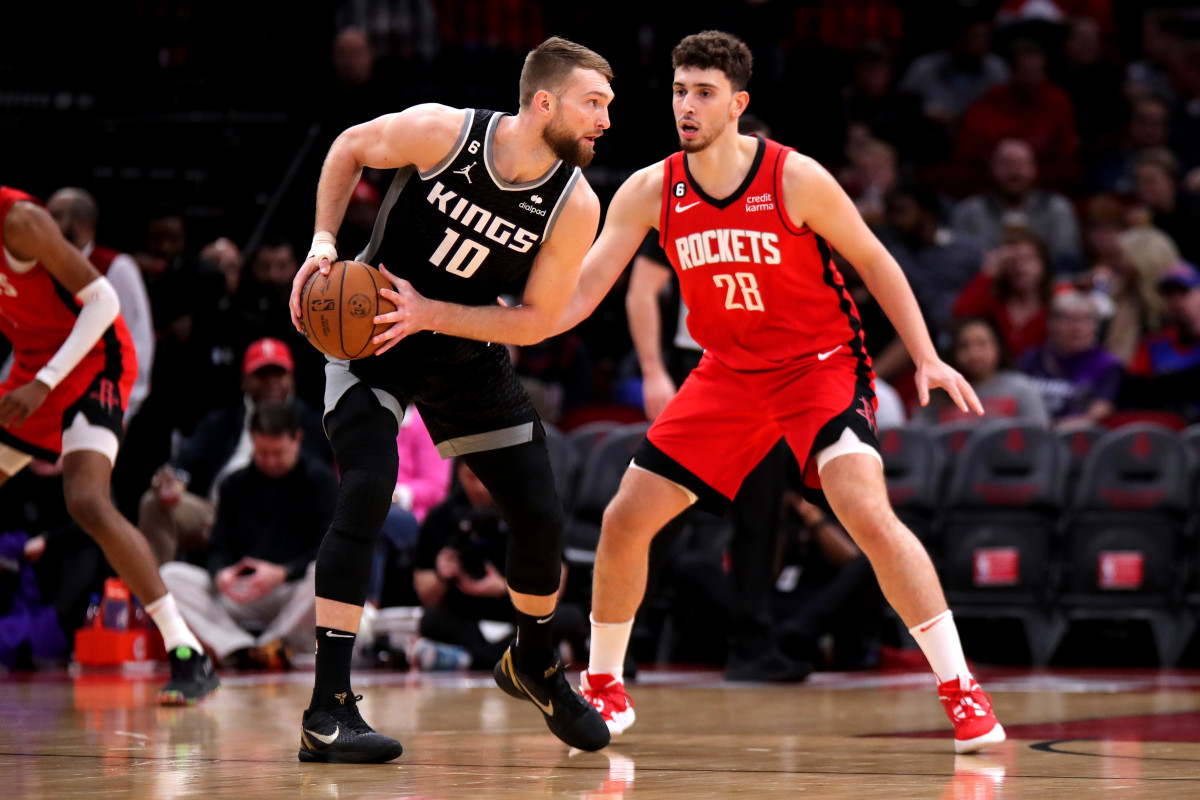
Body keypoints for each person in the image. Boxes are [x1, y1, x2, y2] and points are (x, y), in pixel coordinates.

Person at [551, 31, 1005, 754]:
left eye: (703, 92)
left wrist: (927, 356)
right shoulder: (649, 189)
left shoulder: (794, 178)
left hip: (819, 366)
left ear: (739, 104)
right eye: (678, 91)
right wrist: (493, 319)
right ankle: (606, 688)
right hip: (726, 375)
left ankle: (961, 688)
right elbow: (579, 297)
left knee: (862, 509)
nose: (687, 106)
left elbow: (876, 260)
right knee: (624, 519)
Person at [286, 37, 614, 762]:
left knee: (538, 514)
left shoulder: (574, 203)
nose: (606, 121)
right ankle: (328, 708)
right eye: (595, 104)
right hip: (371, 329)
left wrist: (435, 314)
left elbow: (538, 317)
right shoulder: (443, 132)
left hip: (461, 341)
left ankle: (531, 660)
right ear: (544, 103)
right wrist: (320, 246)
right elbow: (347, 147)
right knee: (369, 485)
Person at [0, 186, 217, 704]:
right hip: (33, 366)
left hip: (97, 357)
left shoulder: (20, 221)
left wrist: (45, 384)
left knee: (87, 500)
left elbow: (104, 301)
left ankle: (186, 650)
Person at [623, 112, 810, 683]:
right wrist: (655, 372)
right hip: (701, 369)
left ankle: (751, 647)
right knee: (661, 514)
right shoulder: (680, 202)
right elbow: (640, 291)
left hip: (769, 373)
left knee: (760, 516)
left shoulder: (785, 202)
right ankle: (617, 642)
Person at [161, 402, 334, 669]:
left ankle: (272, 643)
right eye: (262, 453)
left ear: (297, 439)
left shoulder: (320, 482)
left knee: (327, 572)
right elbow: (219, 547)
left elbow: (325, 549)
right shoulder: (234, 484)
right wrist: (221, 574)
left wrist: (282, 573)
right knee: (169, 576)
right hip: (242, 593)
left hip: (292, 593)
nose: (270, 461)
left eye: (278, 453)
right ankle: (237, 646)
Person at [137, 337, 329, 565]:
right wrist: (174, 483)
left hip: (282, 521)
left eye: (278, 374)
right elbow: (183, 466)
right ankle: (157, 597)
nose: (271, 382)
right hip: (214, 512)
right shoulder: (218, 424)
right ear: (244, 381)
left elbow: (321, 488)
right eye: (262, 374)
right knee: (154, 502)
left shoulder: (317, 426)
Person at [45, 188, 155, 422]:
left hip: (97, 405)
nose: (45, 223)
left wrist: (123, 409)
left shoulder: (117, 267)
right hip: (48, 401)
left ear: (82, 224)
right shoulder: (46, 270)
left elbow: (139, 340)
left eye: (55, 216)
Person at [913, 317, 1049, 427]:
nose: (974, 354)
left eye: (982, 344)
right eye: (964, 346)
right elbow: (922, 442)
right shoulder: (937, 394)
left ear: (998, 348)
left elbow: (1038, 437)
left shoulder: (1021, 389)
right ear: (952, 352)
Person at [1017, 290, 1123, 428]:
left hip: (1078, 438)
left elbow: (1101, 411)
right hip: (1030, 436)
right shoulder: (1031, 358)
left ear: (1095, 327)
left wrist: (1055, 427)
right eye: (1067, 319)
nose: (1077, 327)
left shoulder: (1107, 364)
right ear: (1051, 324)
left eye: (1085, 320)